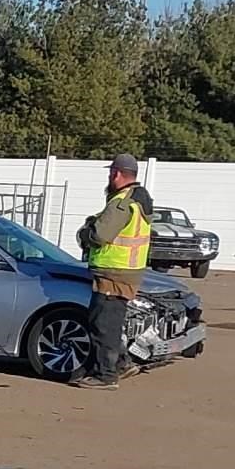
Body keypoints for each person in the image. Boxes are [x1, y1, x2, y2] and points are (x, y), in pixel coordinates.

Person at [72, 154, 154, 387]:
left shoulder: (122, 202)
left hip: (113, 274)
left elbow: (100, 235)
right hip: (126, 272)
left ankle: (105, 376)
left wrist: (86, 233)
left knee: (103, 325)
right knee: (110, 323)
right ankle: (122, 364)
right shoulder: (140, 199)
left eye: (110, 173)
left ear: (116, 174)